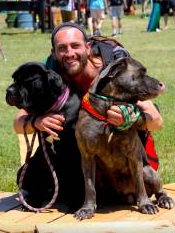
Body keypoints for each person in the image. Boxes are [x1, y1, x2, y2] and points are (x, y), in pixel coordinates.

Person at [13, 22, 163, 209]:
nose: (69, 53)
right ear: (54, 53)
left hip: (125, 150)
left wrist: (130, 118)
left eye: (75, 46)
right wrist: (37, 121)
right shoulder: (52, 71)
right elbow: (18, 123)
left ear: (88, 47)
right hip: (86, 150)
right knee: (36, 177)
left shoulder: (115, 66)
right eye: (62, 48)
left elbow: (156, 120)